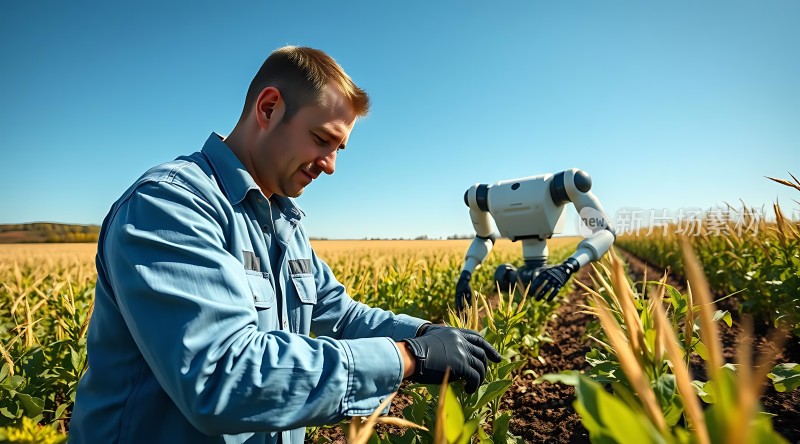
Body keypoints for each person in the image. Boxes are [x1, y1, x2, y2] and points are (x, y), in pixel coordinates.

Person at [69, 46, 501, 444]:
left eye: (339, 148)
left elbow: (341, 314)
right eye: (321, 140)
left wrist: (426, 333)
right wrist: (409, 357)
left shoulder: (283, 222)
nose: (330, 166)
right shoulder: (169, 205)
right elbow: (222, 376)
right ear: (269, 108)